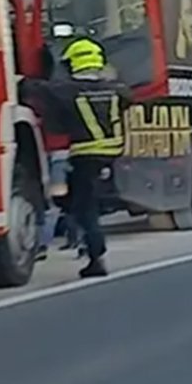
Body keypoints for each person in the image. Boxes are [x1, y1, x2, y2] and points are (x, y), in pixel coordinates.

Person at [25, 37, 131, 278]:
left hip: (85, 157)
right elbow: (127, 94)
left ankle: (97, 257)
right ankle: (91, 247)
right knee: (83, 203)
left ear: (74, 64)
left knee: (83, 208)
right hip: (112, 155)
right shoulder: (117, 90)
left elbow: (33, 88)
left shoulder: (66, 90)